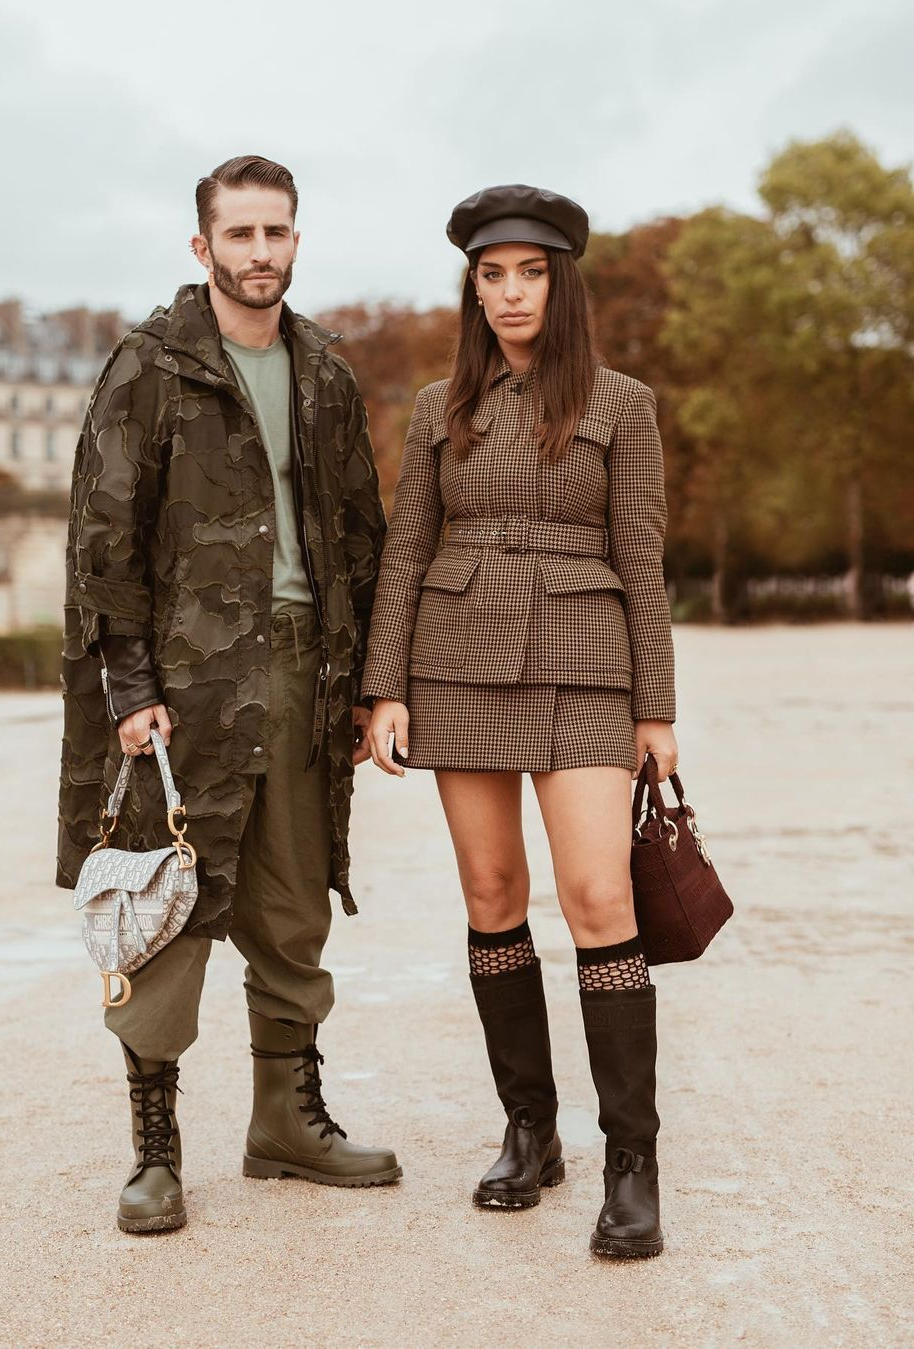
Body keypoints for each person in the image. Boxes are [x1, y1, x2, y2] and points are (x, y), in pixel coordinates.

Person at [56, 155, 401, 1234]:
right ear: (202, 246)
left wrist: (365, 684)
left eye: (278, 233)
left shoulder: (328, 374)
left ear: (298, 241)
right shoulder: (150, 366)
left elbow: (360, 538)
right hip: (186, 685)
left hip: (304, 670)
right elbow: (102, 539)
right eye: (241, 234)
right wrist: (132, 686)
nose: (262, 253)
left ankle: (285, 1125)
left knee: (293, 907)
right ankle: (154, 1150)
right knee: (170, 908)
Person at [361, 184, 678, 1258]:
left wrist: (657, 708)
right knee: (493, 894)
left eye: (529, 271)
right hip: (456, 663)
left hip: (588, 665)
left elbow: (643, 558)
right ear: (473, 286)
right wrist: (385, 687)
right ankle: (529, 1127)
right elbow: (407, 550)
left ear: (562, 281)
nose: (508, 292)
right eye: (491, 273)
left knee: (598, 896)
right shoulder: (440, 402)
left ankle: (631, 1160)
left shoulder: (623, 404)